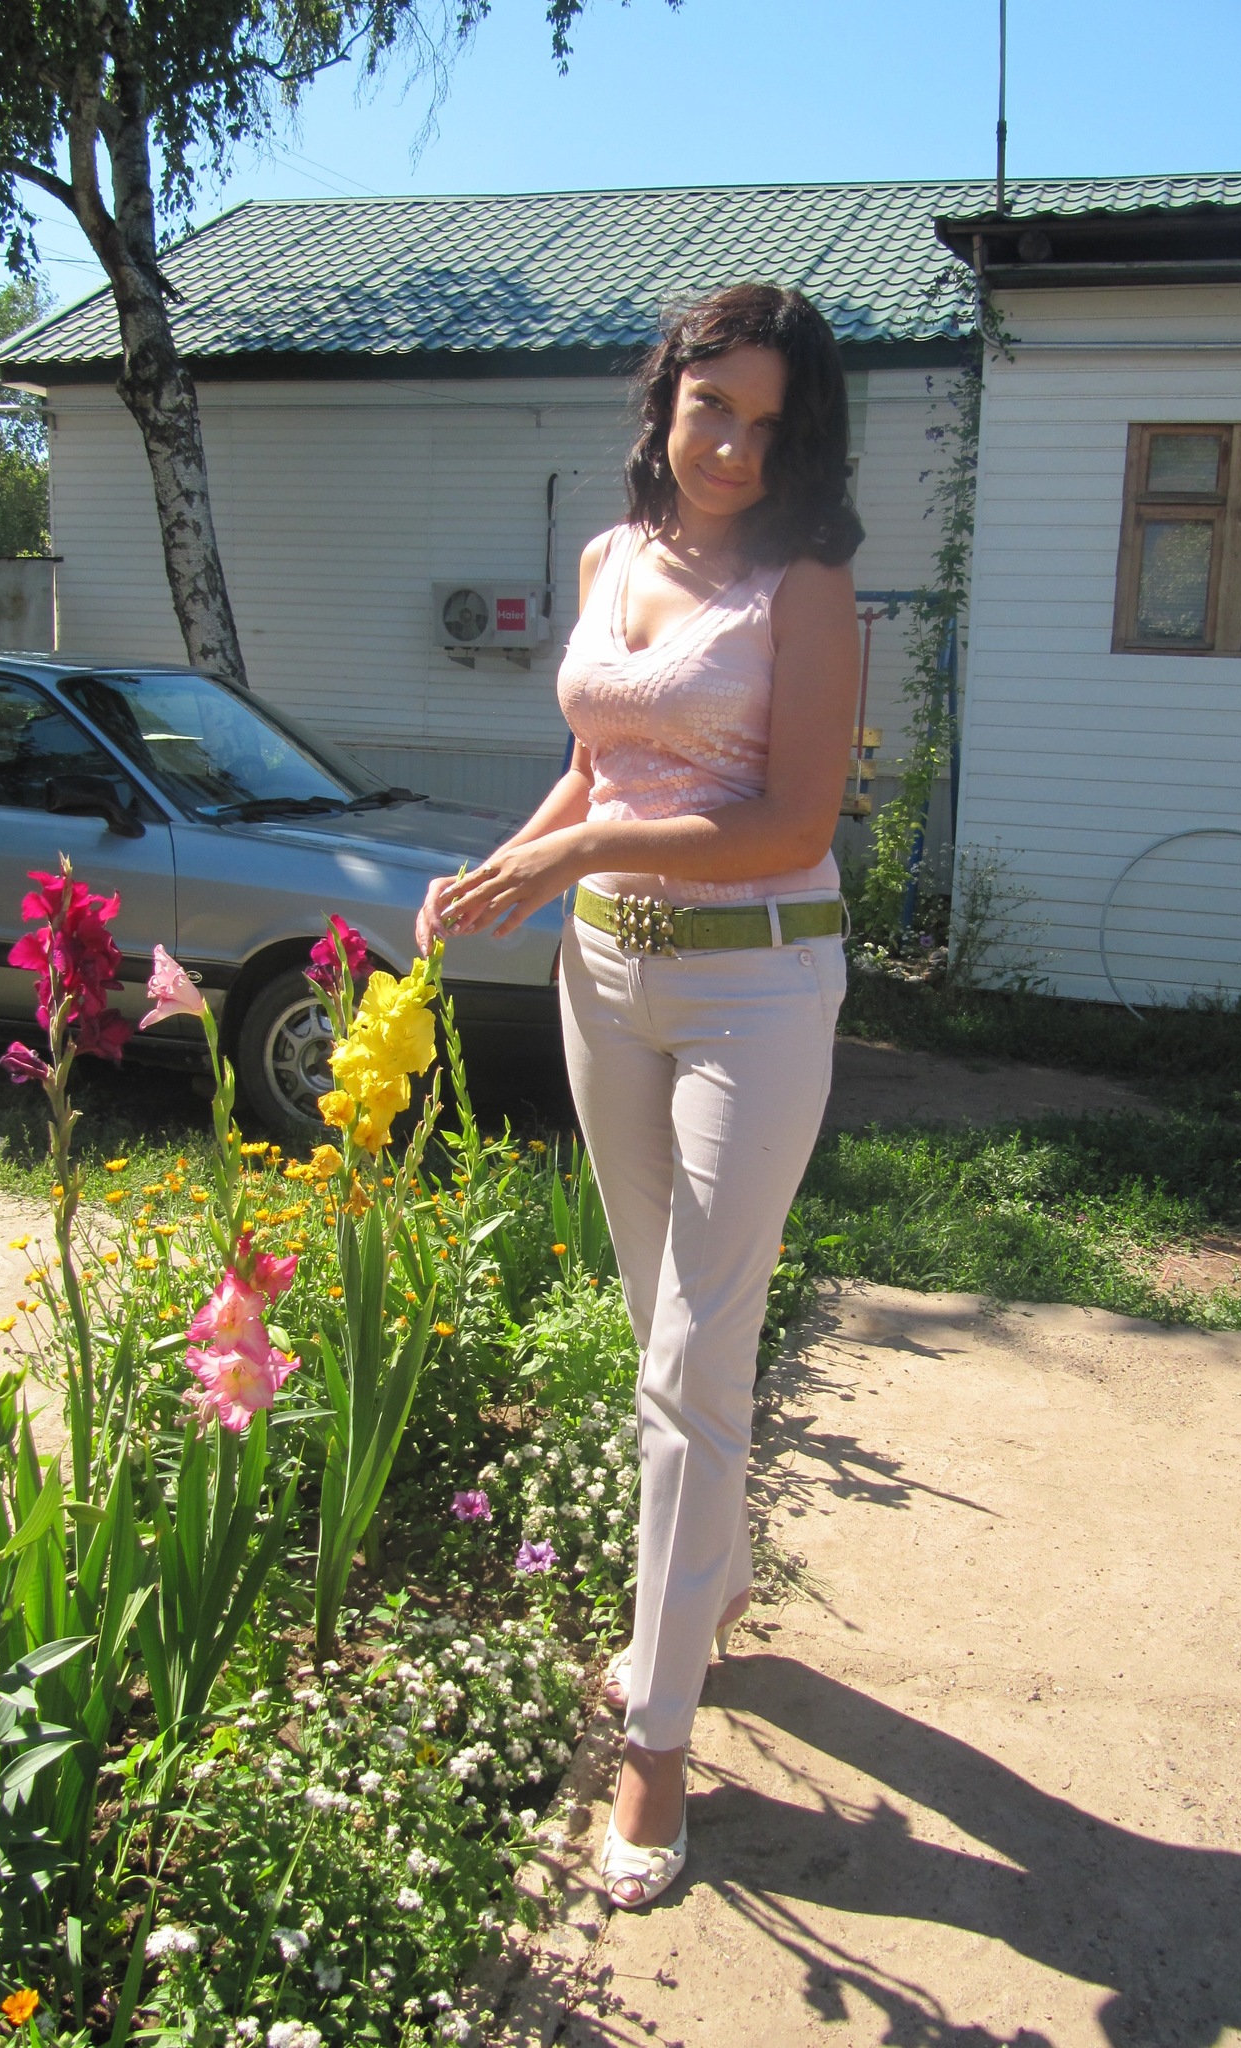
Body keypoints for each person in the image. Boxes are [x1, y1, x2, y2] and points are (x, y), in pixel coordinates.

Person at [416, 281, 863, 1909]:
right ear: (666, 399)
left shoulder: (807, 589)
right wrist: (511, 866)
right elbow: (597, 766)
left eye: (767, 420)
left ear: (800, 436)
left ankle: (657, 1742)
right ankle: (711, 1582)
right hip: (605, 978)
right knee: (649, 1311)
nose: (734, 445)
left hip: (758, 987)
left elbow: (791, 824)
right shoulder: (611, 557)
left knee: (694, 1354)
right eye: (711, 406)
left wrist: (586, 844)